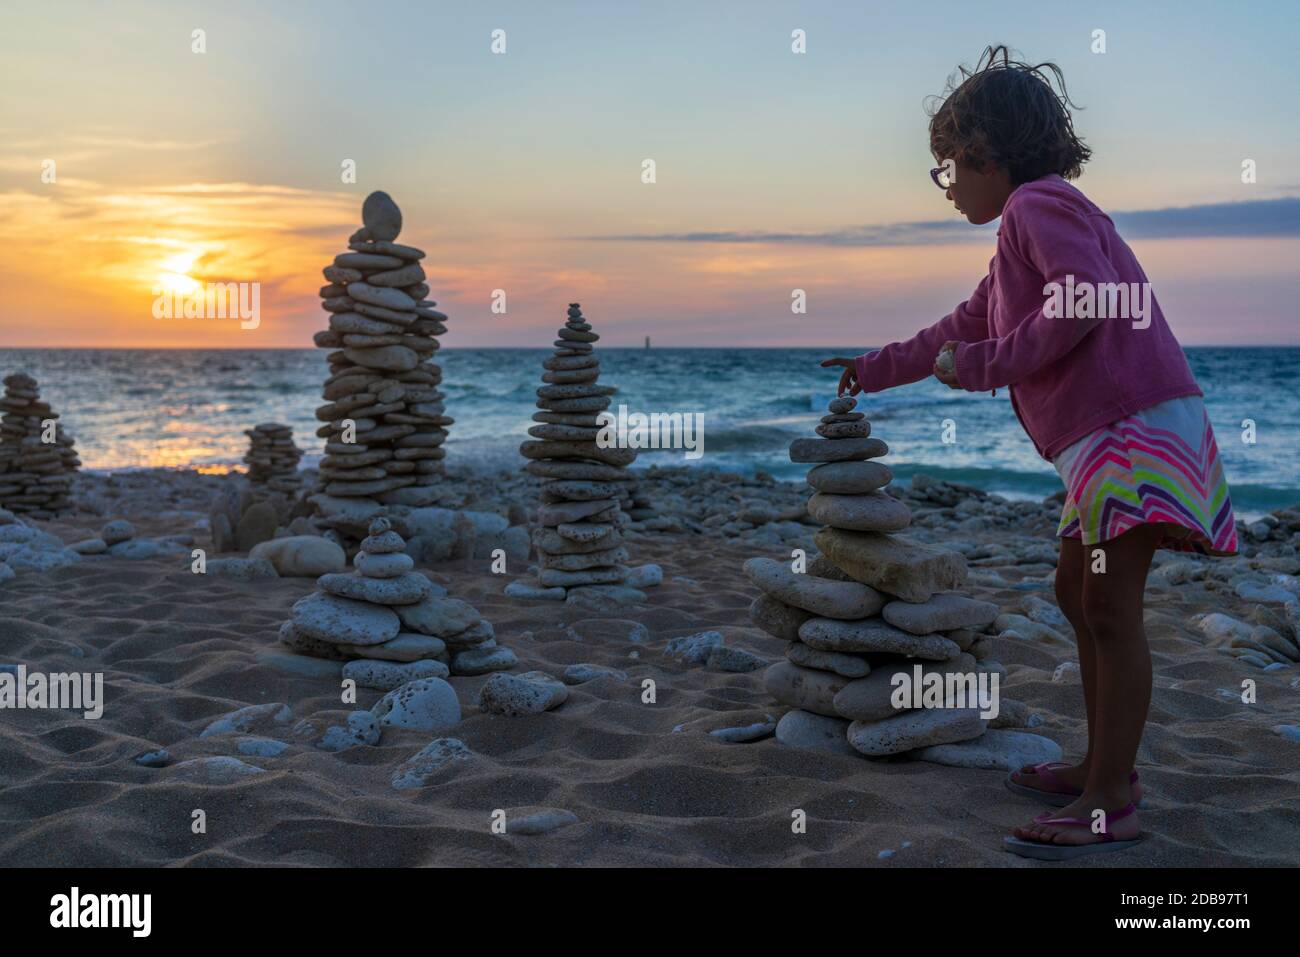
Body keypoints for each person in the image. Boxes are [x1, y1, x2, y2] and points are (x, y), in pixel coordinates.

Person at [823, 46, 1237, 860]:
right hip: (1109, 437)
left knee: (1111, 608)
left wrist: (985, 368)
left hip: (1133, 427)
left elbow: (1073, 305)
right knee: (1078, 593)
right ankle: (1099, 767)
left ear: (985, 154)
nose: (948, 188)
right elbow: (960, 328)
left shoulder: (1036, 209)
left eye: (948, 170)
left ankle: (1112, 799)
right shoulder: (1026, 231)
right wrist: (876, 369)